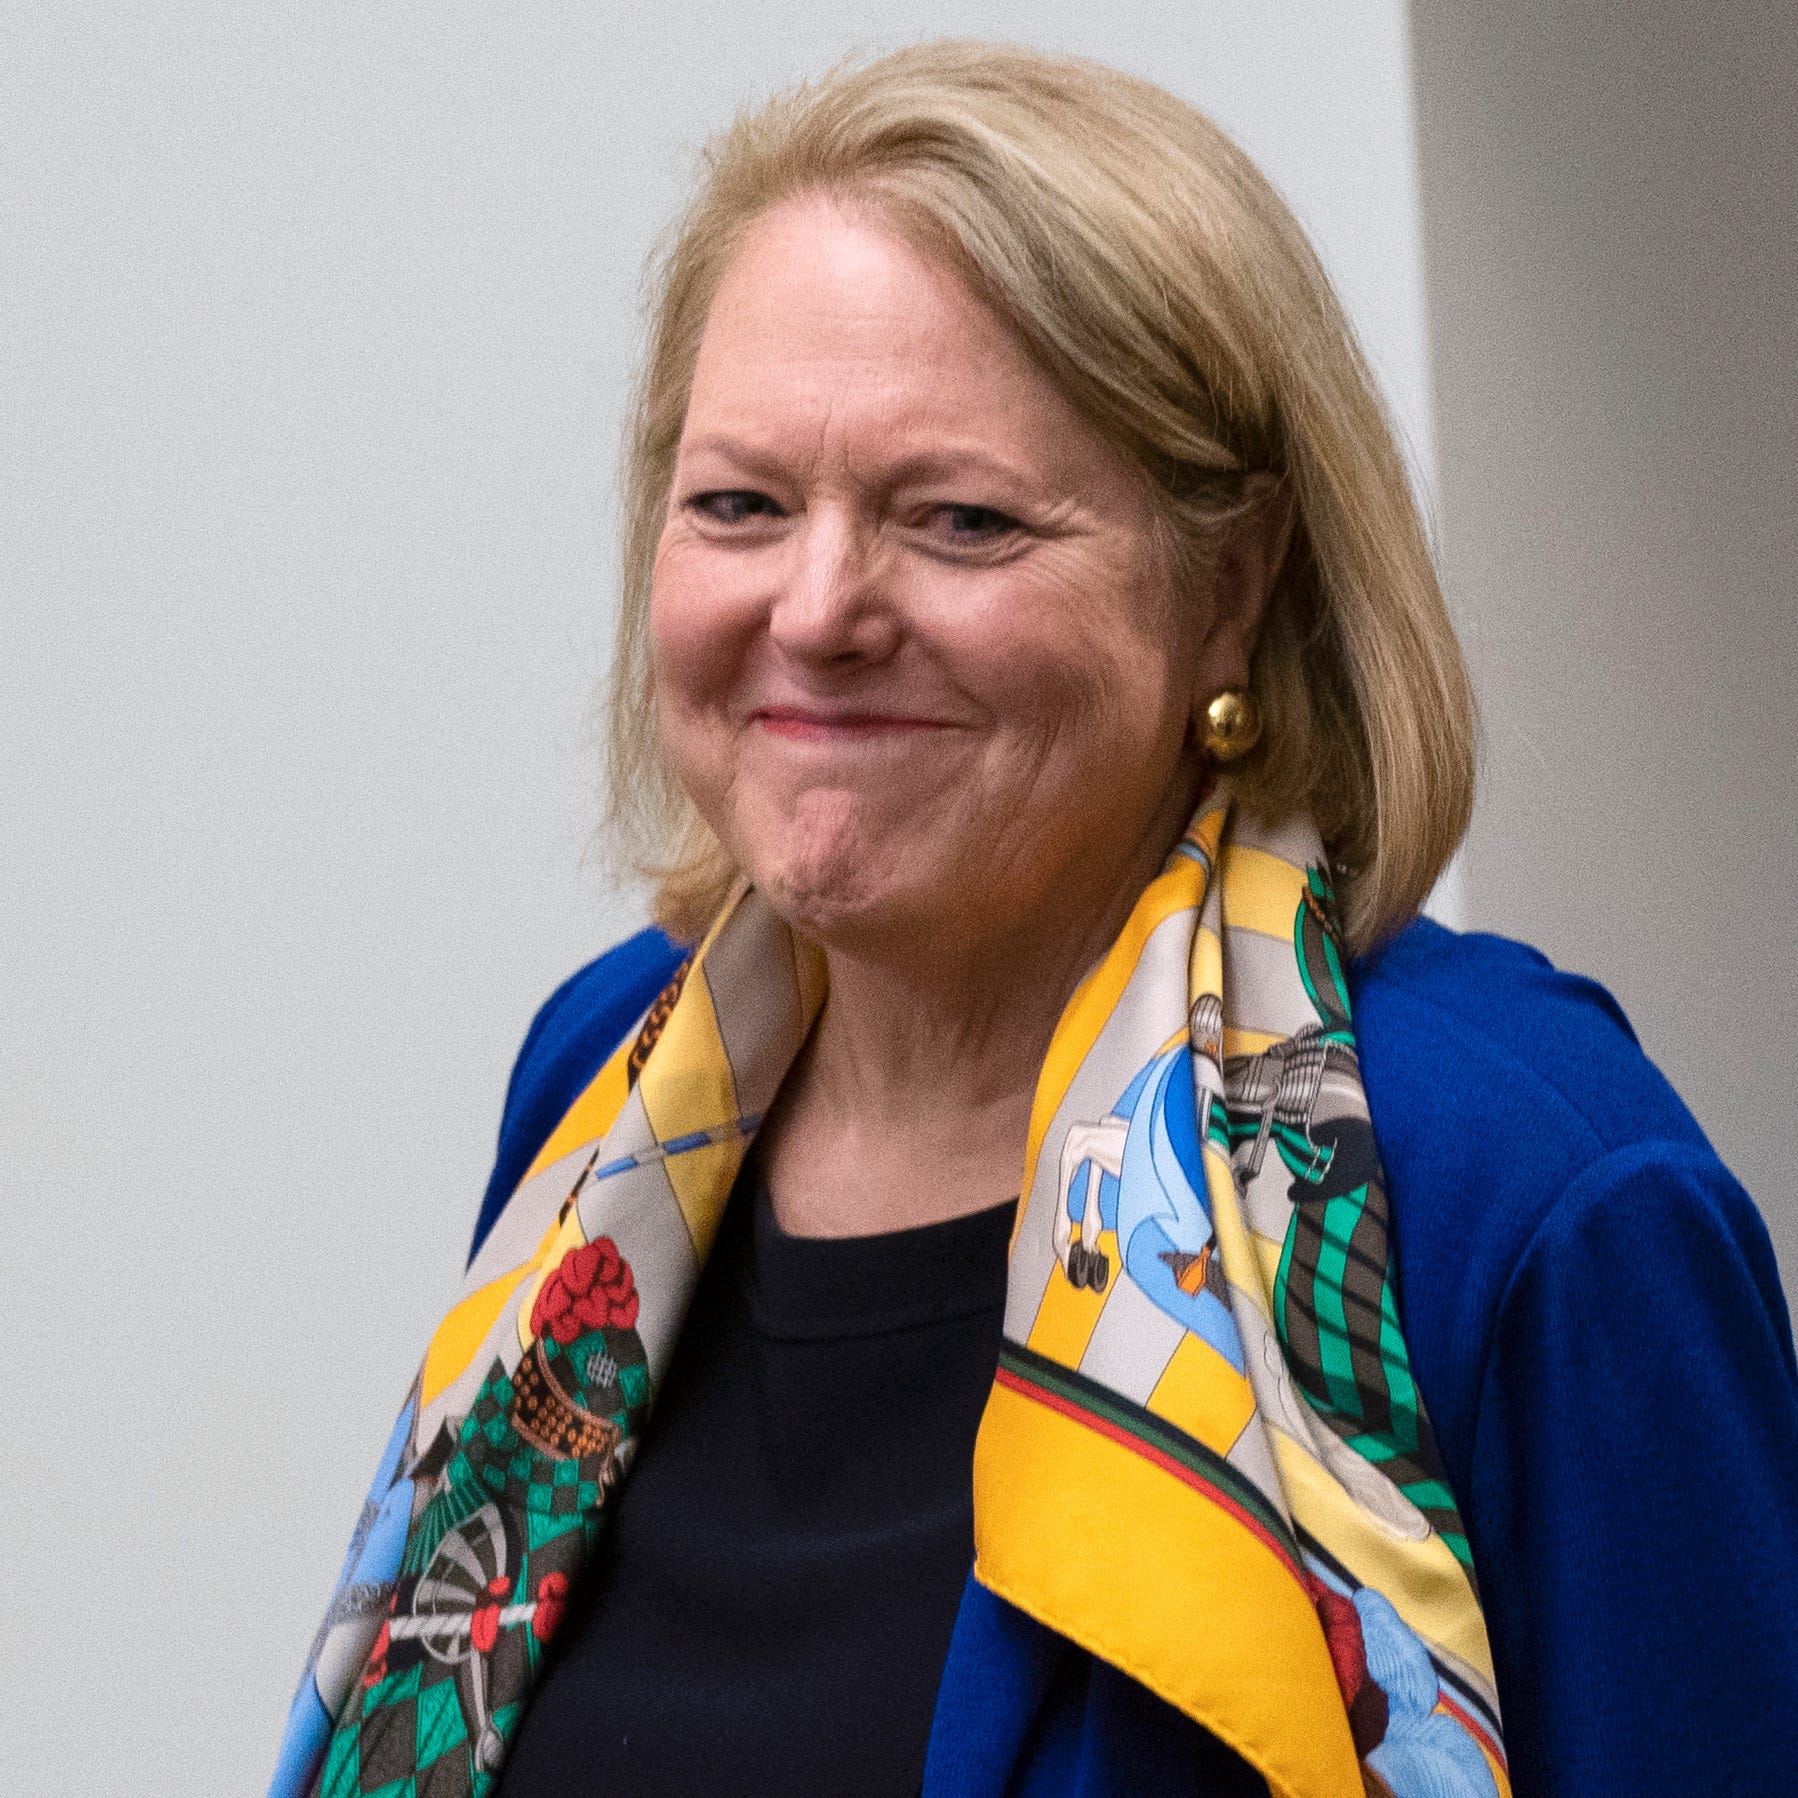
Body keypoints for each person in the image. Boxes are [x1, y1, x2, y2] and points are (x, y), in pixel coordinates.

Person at [270, 41, 1798, 1798]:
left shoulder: (1522, 1198)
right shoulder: (601, 1090)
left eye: (960, 519)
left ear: (1228, 590)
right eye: (740, 505)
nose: (820, 606)